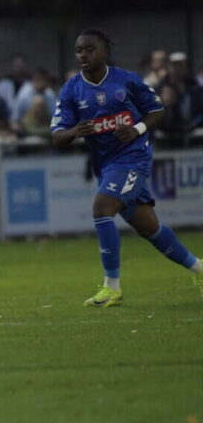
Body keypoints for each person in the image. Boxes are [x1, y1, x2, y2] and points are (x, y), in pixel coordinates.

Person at [51, 29, 202, 306]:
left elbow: (157, 110)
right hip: (106, 165)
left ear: (104, 52)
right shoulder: (72, 89)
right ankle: (200, 269)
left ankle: (112, 287)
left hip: (133, 157)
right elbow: (57, 136)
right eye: (79, 50)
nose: (83, 55)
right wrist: (74, 131)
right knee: (150, 229)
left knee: (102, 209)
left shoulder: (126, 80)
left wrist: (136, 129)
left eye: (90, 49)